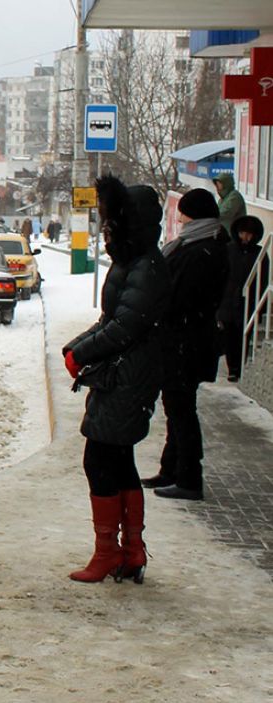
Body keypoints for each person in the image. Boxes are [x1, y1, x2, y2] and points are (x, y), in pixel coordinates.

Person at [63, 175, 171, 584]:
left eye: (112, 222)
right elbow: (111, 319)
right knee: (118, 461)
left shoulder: (147, 267)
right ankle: (130, 552)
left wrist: (83, 352)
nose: (106, 229)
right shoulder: (135, 261)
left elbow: (126, 325)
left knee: (101, 460)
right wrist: (76, 347)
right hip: (123, 373)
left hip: (130, 376)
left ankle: (110, 552)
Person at [141, 188, 229, 501]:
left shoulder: (202, 251)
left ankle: (189, 479)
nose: (179, 217)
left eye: (184, 212)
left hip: (186, 342)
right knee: (176, 407)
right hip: (184, 340)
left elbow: (181, 298)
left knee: (182, 411)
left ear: (193, 215)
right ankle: (172, 469)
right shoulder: (200, 245)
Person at [217, 216, 266, 382]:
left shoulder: (260, 254)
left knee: (244, 334)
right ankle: (233, 368)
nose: (245, 237)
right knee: (229, 335)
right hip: (228, 299)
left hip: (248, 301)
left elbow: (264, 280)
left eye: (249, 234)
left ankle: (241, 365)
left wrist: (262, 305)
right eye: (242, 233)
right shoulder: (229, 250)